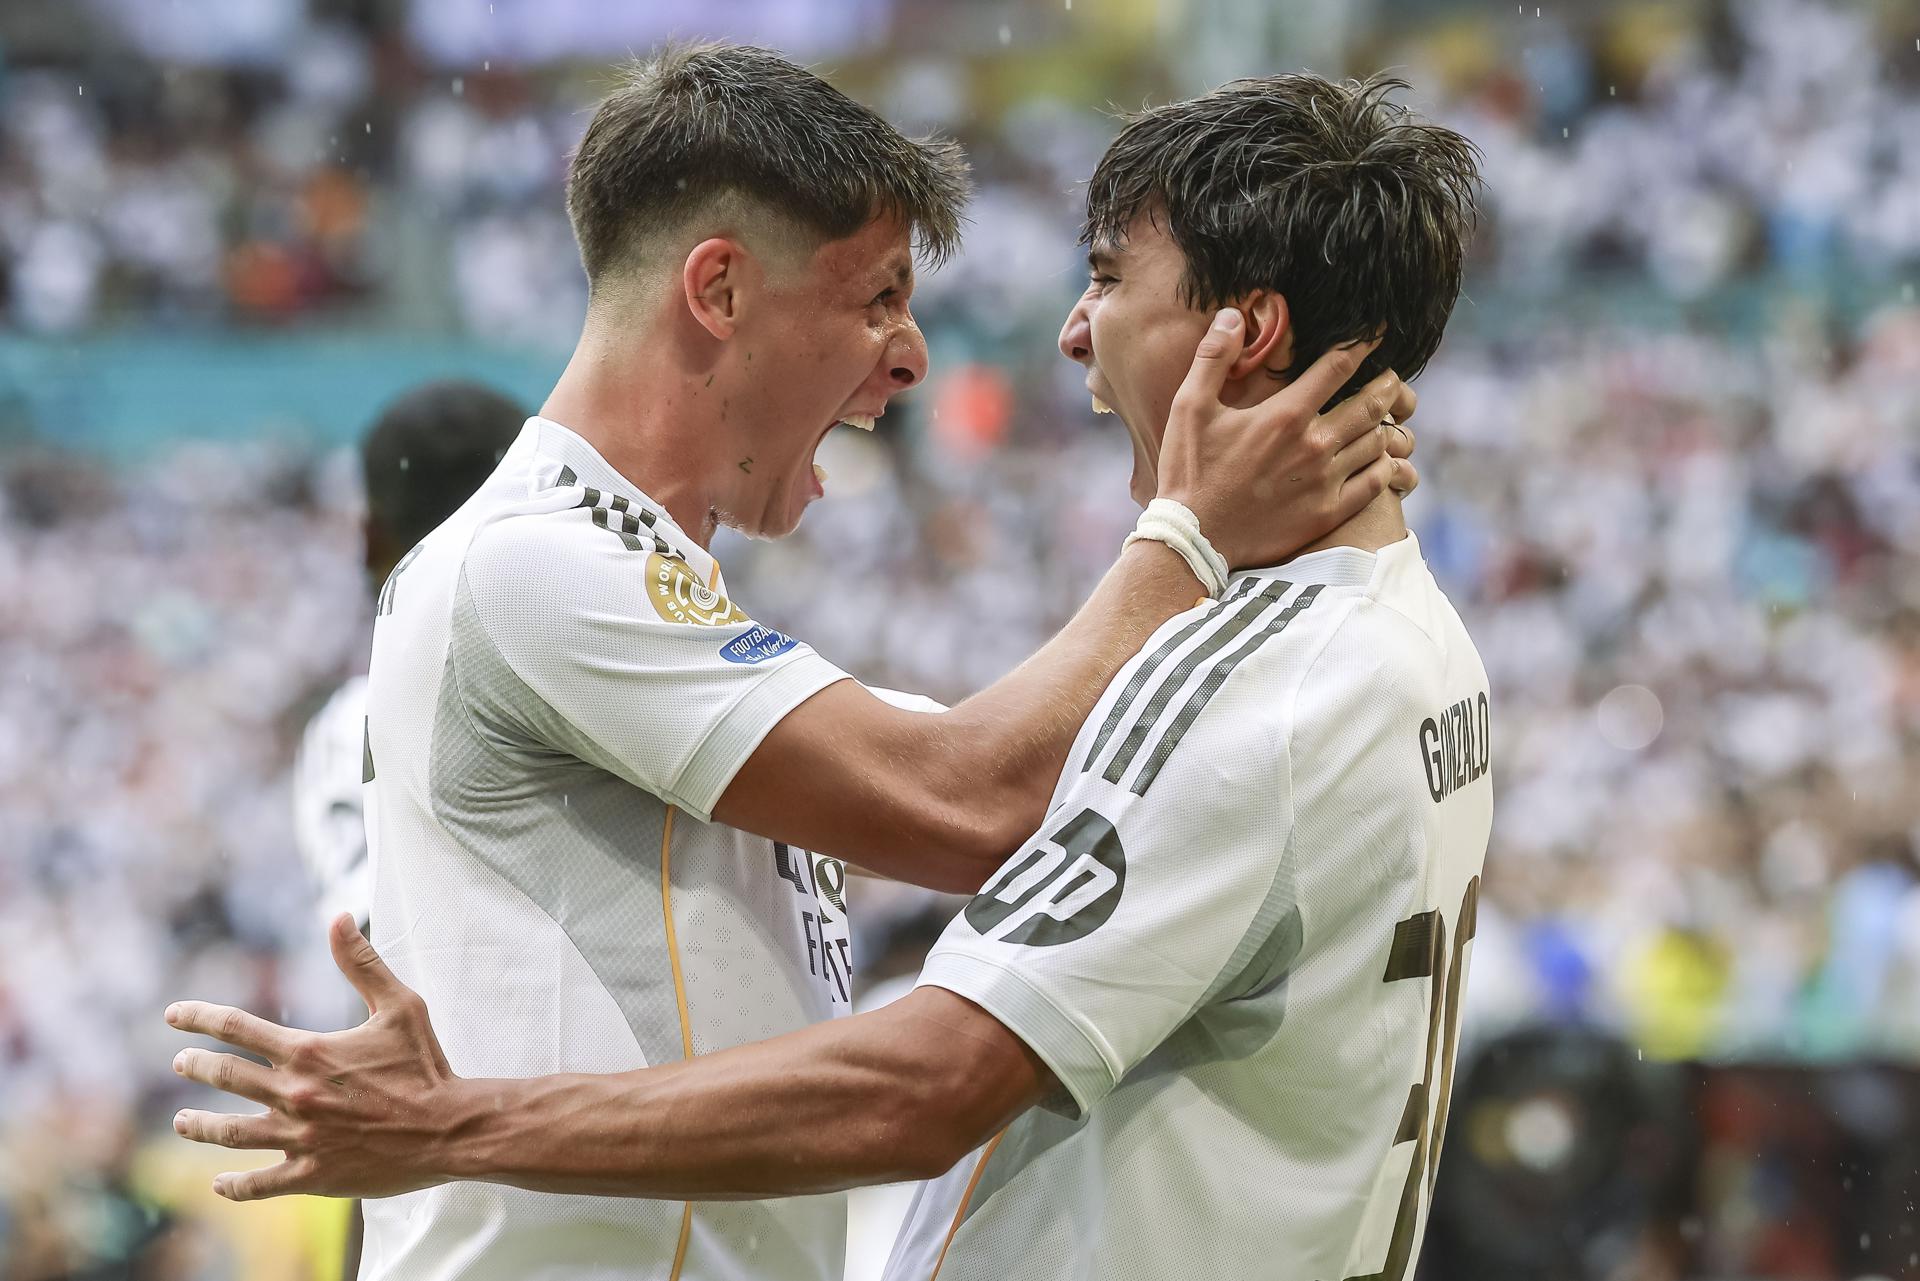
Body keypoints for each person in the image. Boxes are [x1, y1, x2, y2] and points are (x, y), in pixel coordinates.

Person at [168, 71, 1487, 1281]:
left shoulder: (644, 589)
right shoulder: (531, 567)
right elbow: (967, 802)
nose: (913, 357)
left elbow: (998, 804)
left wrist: (456, 1122)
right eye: (876, 299)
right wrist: (1185, 539)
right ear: (721, 290)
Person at [290, 380, 528, 1281]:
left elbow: (389, 974)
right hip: (627, 1153)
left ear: (366, 539)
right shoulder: (618, 669)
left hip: (452, 1184)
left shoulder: (348, 726)